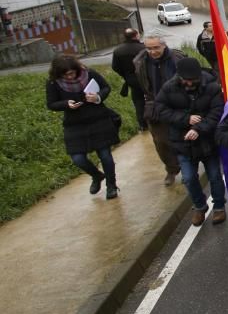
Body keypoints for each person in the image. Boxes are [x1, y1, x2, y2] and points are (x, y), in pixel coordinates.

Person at [155, 57, 227, 226]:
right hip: (182, 142)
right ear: (179, 77)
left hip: (208, 140)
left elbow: (217, 112)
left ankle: (219, 207)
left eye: (193, 80)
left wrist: (198, 128)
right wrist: (185, 119)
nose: (189, 83)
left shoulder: (212, 87)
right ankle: (199, 206)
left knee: (215, 176)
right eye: (185, 80)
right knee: (188, 178)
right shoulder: (168, 88)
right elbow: (161, 109)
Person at [46, 56, 121, 199]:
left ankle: (111, 186)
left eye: (72, 72)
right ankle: (97, 175)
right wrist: (66, 104)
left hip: (98, 119)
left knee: (105, 156)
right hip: (74, 124)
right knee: (78, 158)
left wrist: (97, 97)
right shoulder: (53, 83)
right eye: (66, 74)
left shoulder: (89, 73)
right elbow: (51, 104)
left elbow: (106, 87)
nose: (70, 76)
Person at [133, 32, 185, 185]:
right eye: (149, 48)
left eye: (156, 47)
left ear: (164, 45)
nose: (152, 51)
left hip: (177, 104)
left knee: (182, 138)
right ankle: (171, 169)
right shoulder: (140, 62)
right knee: (161, 142)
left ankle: (187, 167)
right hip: (154, 106)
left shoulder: (177, 59)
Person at [111, 28, 146, 130]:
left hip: (131, 80)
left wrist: (125, 75)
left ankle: (142, 124)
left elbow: (115, 67)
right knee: (152, 97)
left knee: (138, 101)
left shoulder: (118, 51)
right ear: (136, 36)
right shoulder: (143, 48)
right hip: (147, 78)